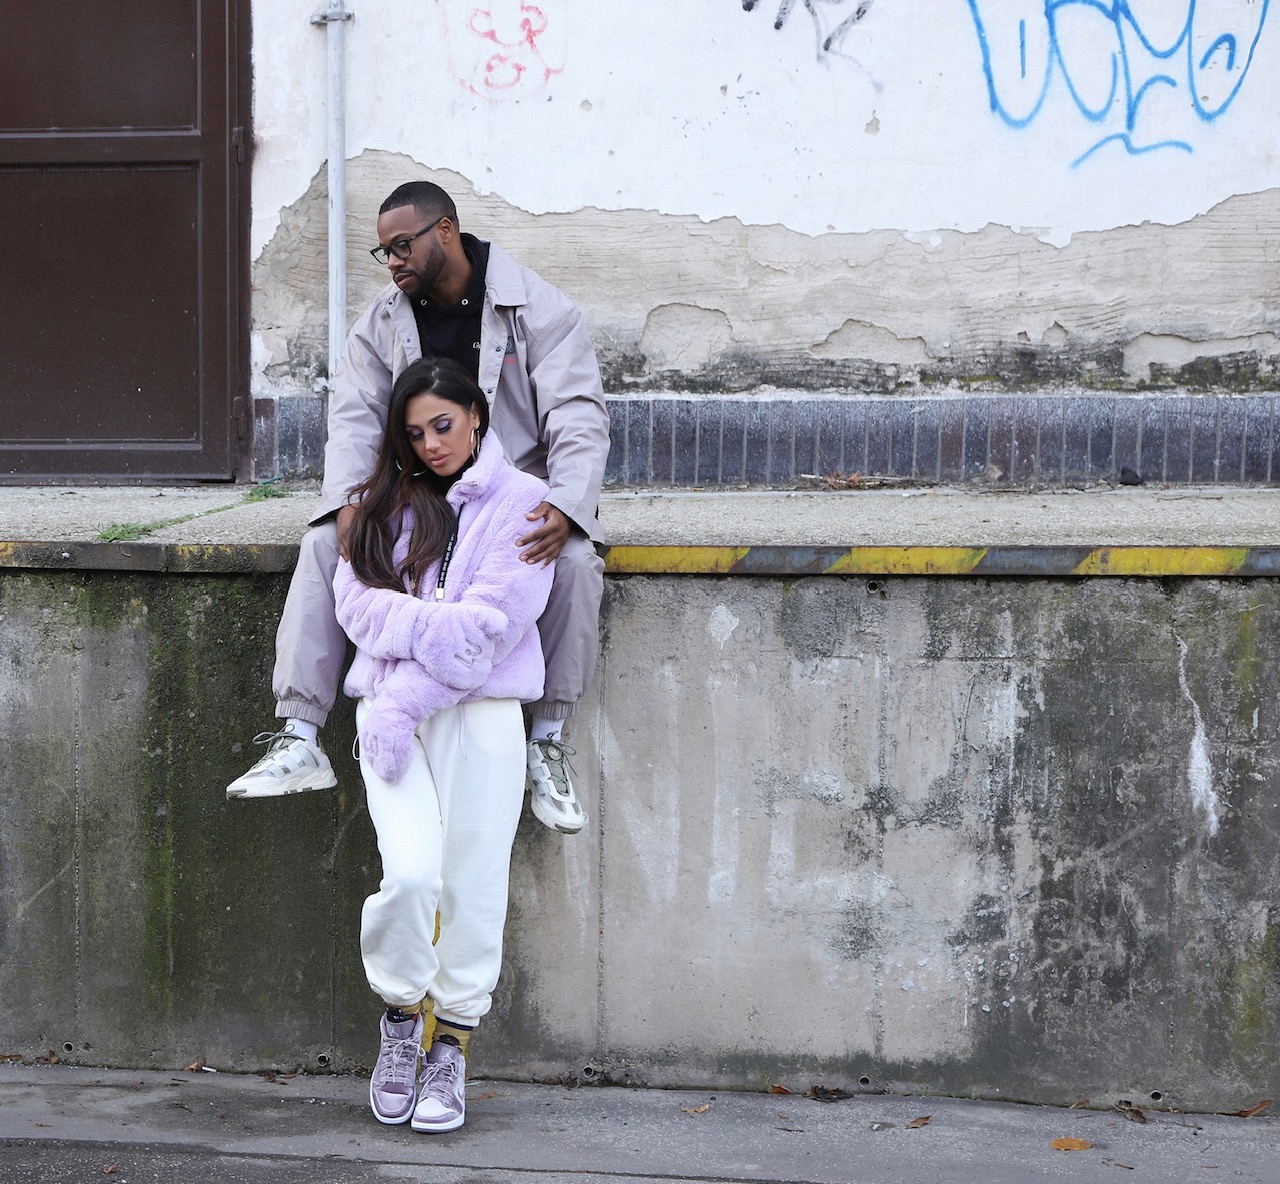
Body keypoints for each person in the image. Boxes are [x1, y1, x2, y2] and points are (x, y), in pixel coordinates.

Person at [226, 181, 608, 834]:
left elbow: (576, 413)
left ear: (445, 232)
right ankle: (300, 735)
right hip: (414, 496)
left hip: (509, 499)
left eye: (403, 245)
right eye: (384, 251)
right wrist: (349, 502)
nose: (393, 261)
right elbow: (355, 417)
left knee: (574, 559)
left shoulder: (536, 309)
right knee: (324, 544)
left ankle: (546, 740)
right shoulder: (380, 323)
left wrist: (568, 504)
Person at [335, 356, 554, 1133]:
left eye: (443, 425)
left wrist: (412, 667)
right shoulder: (378, 506)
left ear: (476, 417)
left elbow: (493, 627)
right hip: (388, 721)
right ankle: (402, 1017)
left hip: (481, 715)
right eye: (416, 432)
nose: (431, 444)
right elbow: (356, 607)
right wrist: (433, 637)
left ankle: (451, 1045)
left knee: (473, 884)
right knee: (412, 875)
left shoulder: (526, 504)